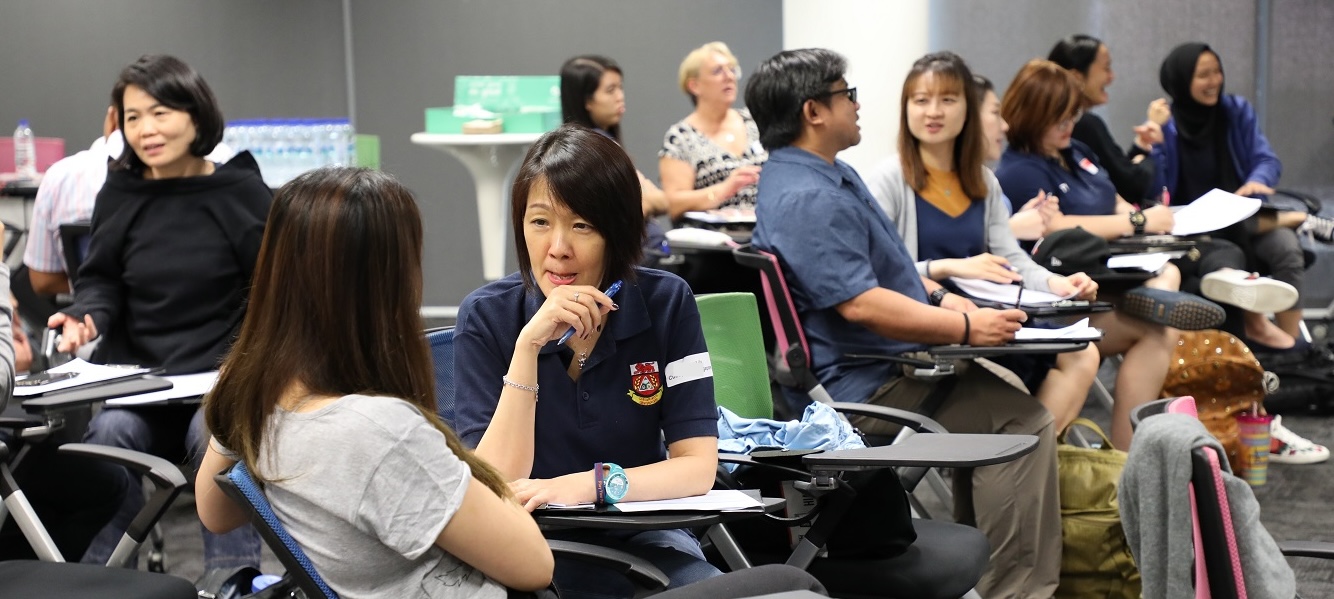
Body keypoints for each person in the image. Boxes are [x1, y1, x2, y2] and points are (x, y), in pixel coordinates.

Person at [746, 47, 1059, 598]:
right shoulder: (810, 195)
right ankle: (1015, 591)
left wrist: (940, 301)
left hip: (873, 362)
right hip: (866, 379)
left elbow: (882, 272)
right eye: (849, 95)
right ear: (814, 111)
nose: (859, 106)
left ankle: (988, 579)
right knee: (1022, 424)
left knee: (1006, 396)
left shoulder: (819, 175)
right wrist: (964, 330)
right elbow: (861, 304)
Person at [454, 124, 724, 599]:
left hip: (646, 533)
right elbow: (494, 486)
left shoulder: (666, 302)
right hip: (536, 542)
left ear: (617, 232)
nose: (558, 247)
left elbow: (696, 466)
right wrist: (527, 350)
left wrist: (587, 485)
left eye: (582, 225)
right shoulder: (488, 316)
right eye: (540, 222)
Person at [48, 54, 268, 571]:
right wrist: (87, 317)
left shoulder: (239, 191)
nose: (146, 130)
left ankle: (235, 577)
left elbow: (271, 292)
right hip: (138, 382)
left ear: (196, 115)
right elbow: (100, 280)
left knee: (214, 437)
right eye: (132, 117)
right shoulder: (121, 192)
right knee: (107, 438)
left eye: (160, 113)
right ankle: (104, 573)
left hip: (217, 381)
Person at [865, 51, 1101, 433]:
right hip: (934, 325)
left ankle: (1038, 459)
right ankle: (1026, 457)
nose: (933, 112)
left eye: (947, 99)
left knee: (1083, 353)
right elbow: (881, 272)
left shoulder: (983, 180)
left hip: (990, 312)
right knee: (1014, 386)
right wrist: (945, 267)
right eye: (921, 101)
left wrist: (1059, 283)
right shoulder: (889, 179)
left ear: (966, 110)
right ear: (906, 109)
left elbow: (1011, 257)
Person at [1147, 42, 1334, 350]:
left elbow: (1266, 160)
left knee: (1287, 248)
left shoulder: (1235, 111)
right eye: (1203, 75)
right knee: (1228, 235)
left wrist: (1257, 181)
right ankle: (1294, 219)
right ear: (1181, 80)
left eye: (1217, 71)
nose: (1214, 81)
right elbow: (1152, 186)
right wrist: (1154, 137)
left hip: (1241, 217)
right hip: (1190, 228)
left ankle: (1292, 346)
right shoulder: (1167, 123)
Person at [24, 107, 232, 296]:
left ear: (113, 117)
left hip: (93, 323)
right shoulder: (222, 173)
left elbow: (43, 281)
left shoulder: (62, 175)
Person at [559, 55, 670, 263]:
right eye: (610, 90)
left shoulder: (603, 142)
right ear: (587, 101)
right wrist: (645, 200)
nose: (620, 96)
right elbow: (635, 207)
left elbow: (659, 201)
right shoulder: (593, 149)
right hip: (637, 265)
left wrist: (647, 201)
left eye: (620, 88)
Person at [1046, 34, 1158, 204]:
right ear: (1077, 77)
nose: (1112, 77)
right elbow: (1130, 186)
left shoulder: (1076, 123)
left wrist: (1139, 151)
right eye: (1106, 68)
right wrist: (1145, 161)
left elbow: (1116, 171)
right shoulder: (1084, 124)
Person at [659, 42, 766, 219]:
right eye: (718, 71)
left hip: (765, 235)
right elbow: (673, 203)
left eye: (732, 69)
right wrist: (724, 189)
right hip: (716, 241)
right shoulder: (681, 137)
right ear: (694, 86)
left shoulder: (756, 121)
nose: (729, 77)